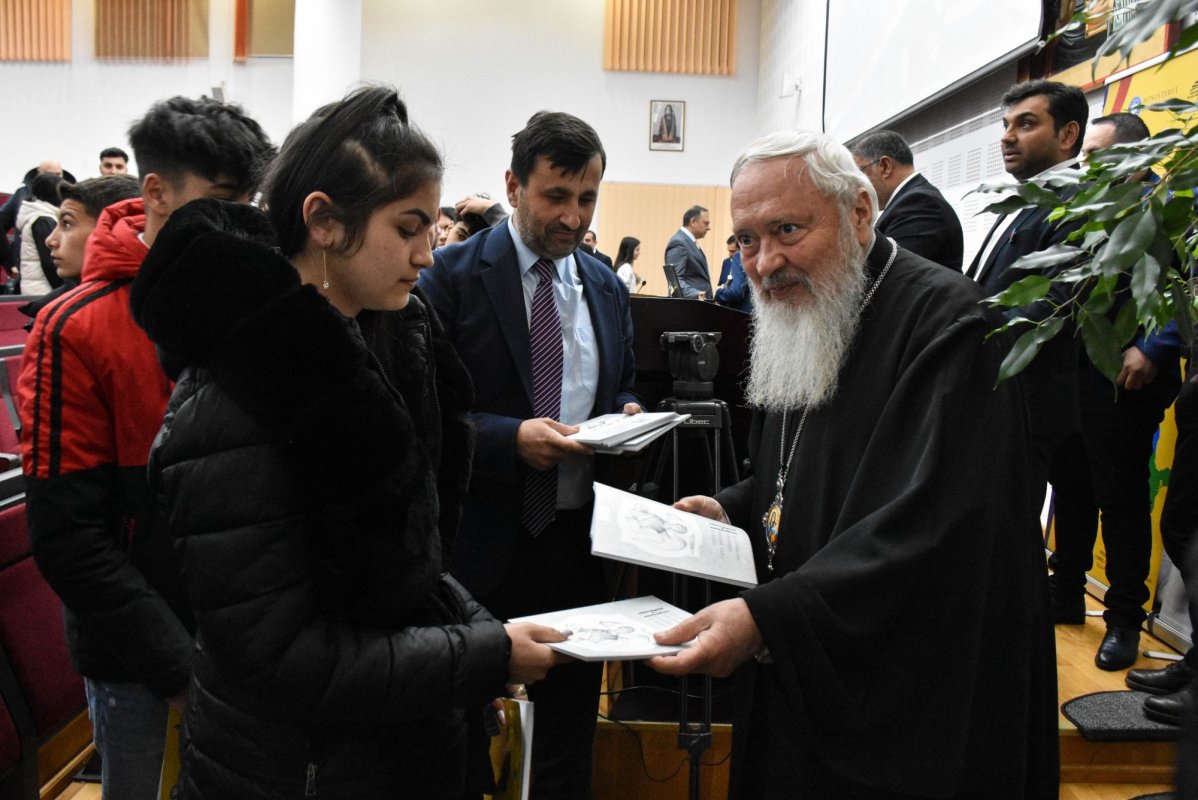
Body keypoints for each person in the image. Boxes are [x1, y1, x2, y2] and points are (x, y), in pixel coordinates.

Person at [130, 86, 565, 800]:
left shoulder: (381, 348)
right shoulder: (239, 400)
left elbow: (409, 563)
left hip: (380, 749)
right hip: (292, 768)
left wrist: (483, 633)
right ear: (325, 222)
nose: (429, 254)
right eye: (409, 227)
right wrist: (480, 653)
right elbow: (279, 656)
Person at [647, 129, 1056, 799]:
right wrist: (736, 506)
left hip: (908, 706)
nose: (765, 261)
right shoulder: (806, 312)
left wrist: (768, 618)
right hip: (812, 671)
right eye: (746, 239)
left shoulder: (949, 323)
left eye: (787, 229)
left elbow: (939, 520)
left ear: (859, 214)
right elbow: (808, 468)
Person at [19, 96, 275, 800]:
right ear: (156, 193)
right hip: (143, 662)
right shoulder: (76, 327)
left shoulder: (249, 301)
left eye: (249, 202)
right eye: (224, 200)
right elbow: (68, 537)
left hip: (244, 643)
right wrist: (177, 668)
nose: (240, 222)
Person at [421, 110, 641, 800]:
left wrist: (628, 415)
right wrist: (507, 440)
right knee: (457, 738)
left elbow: (619, 382)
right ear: (513, 186)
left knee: (567, 732)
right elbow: (422, 412)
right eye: (556, 196)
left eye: (587, 199)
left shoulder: (604, 287)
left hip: (576, 545)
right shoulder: (449, 278)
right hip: (477, 547)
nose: (573, 218)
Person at [1049, 109, 1181, 670]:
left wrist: (1153, 348)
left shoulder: (1172, 209)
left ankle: (1125, 618)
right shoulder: (1090, 207)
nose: (1091, 167)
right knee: (1071, 483)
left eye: (1103, 157)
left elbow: (1183, 289)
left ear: (1139, 159)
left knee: (1120, 498)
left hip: (1127, 378)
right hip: (1075, 373)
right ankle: (1066, 593)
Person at [966, 80, 1087, 480]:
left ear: (1067, 134)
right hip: (999, 386)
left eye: (1026, 124)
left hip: (1032, 395)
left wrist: (974, 338)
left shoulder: (1078, 202)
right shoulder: (1027, 197)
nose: (1007, 137)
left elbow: (1055, 301)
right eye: (1005, 125)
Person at [19, 174, 141, 326]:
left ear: (113, 230)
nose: (50, 240)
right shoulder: (54, 318)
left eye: (67, 224)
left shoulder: (65, 323)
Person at [850, 129, 964, 270]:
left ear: (885, 167)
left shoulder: (920, 204)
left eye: (859, 173)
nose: (856, 185)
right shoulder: (911, 202)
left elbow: (887, 272)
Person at [0, 158, 69, 270]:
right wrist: (9, 262)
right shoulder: (22, 195)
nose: (54, 179)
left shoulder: (71, 196)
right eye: (49, 174)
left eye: (58, 175)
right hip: (28, 269)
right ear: (39, 172)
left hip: (59, 266)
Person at [13, 172, 64, 296]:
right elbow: (50, 262)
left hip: (36, 288)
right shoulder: (43, 219)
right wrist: (64, 289)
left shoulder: (37, 215)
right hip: (44, 291)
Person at [665, 204, 712, 299]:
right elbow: (674, 282)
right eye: (706, 223)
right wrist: (696, 294)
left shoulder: (688, 242)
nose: (708, 228)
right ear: (693, 222)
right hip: (689, 307)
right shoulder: (678, 243)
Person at [714, 245, 751, 313]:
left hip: (741, 314)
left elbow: (736, 293)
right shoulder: (726, 262)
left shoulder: (740, 257)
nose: (729, 254)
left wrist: (719, 292)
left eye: (732, 251)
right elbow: (722, 281)